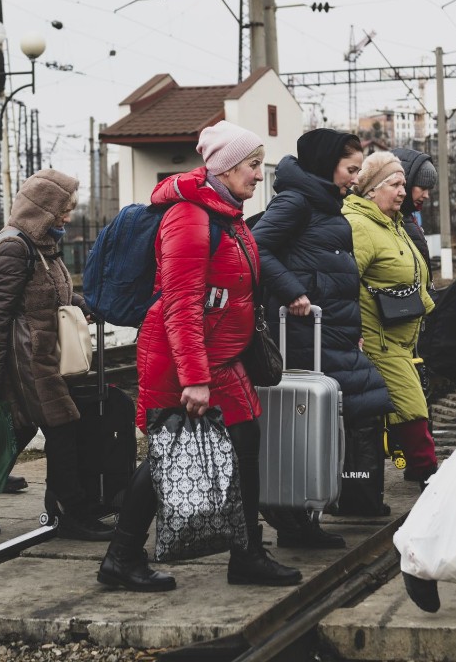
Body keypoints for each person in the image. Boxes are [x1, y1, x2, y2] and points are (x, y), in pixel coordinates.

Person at [97, 121, 302, 592]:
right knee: (169, 454)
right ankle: (121, 557)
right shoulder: (189, 218)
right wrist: (194, 378)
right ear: (227, 168)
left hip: (223, 360)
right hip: (182, 360)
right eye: (252, 165)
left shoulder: (227, 214)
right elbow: (181, 306)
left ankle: (247, 553)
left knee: (245, 441)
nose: (258, 175)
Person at [253, 128, 395, 540]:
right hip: (304, 334)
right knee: (325, 414)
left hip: (331, 332)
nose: (355, 177)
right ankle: (299, 515)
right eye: (351, 169)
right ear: (325, 163)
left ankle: (328, 501)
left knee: (355, 408)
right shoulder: (298, 201)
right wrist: (291, 290)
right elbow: (256, 246)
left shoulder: (326, 203)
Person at [0, 169, 108, 540]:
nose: (67, 217)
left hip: (43, 352)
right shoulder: (13, 247)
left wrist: (82, 303)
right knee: (63, 427)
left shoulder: (42, 243)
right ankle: (73, 514)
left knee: (22, 429)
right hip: (27, 358)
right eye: (63, 210)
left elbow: (51, 294)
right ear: (43, 209)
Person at [344, 152, 439, 489]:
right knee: (410, 403)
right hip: (376, 337)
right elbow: (344, 284)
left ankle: (413, 467)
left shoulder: (391, 222)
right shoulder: (360, 226)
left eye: (403, 184)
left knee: (403, 403)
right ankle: (425, 469)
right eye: (395, 184)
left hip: (398, 335)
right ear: (372, 189)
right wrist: (352, 333)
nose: (403, 191)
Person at [391, 148, 436, 265]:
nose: (426, 195)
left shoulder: (406, 218)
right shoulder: (389, 221)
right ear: (407, 183)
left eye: (429, 189)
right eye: (422, 187)